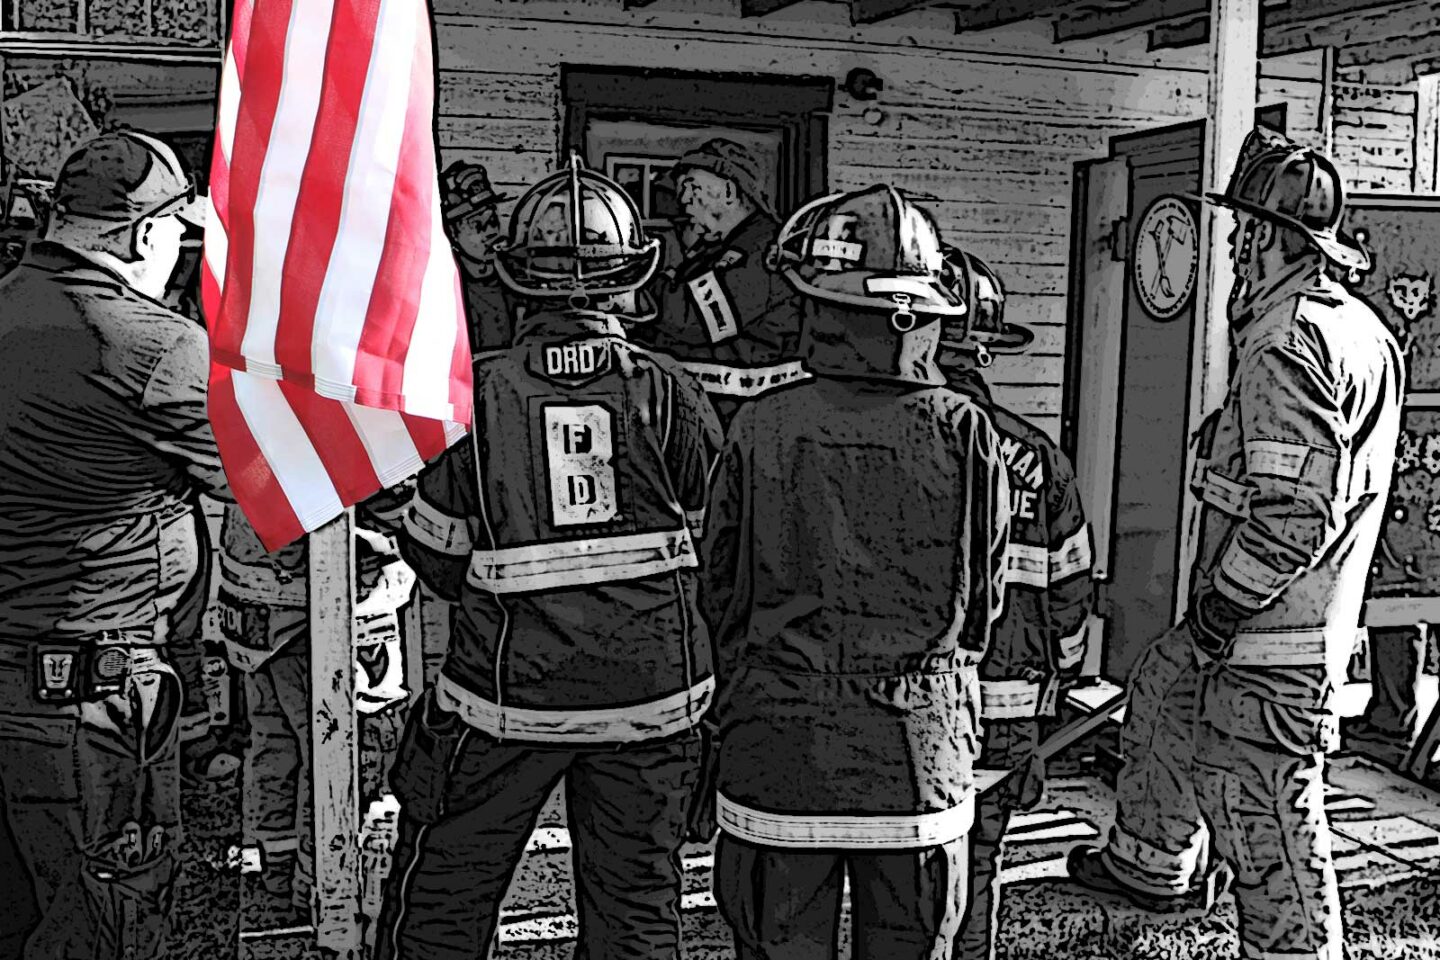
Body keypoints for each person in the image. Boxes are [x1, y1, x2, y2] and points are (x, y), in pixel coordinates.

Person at [1066, 127, 1403, 960]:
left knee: (1264, 816)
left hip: (1269, 641)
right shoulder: (1357, 328)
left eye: (1241, 230)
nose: (1233, 247)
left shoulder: (1285, 343)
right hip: (1272, 626)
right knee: (1161, 690)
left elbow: (1295, 514)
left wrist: (1217, 614)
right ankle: (1150, 862)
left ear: (1264, 233)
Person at [373, 156, 722, 960]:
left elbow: (437, 557)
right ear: (628, 280)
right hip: (653, 703)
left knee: (444, 900)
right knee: (635, 907)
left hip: (504, 700)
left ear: (519, 281)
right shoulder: (669, 390)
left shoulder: (477, 394)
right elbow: (719, 552)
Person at [701, 184, 1010, 960]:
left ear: (814, 303)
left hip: (778, 750)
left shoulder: (762, 423)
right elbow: (984, 602)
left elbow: (722, 594)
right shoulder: (966, 430)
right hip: (916, 756)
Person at [0, 129, 228, 958]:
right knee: (106, 925)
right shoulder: (157, 346)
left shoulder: (8, 307)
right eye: (179, 234)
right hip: (89, 694)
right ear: (143, 235)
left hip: (16, 675)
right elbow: (268, 480)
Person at [934, 246, 1096, 960]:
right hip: (1007, 712)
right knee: (980, 860)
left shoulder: (887, 438)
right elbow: (1070, 597)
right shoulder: (1039, 458)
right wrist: (1052, 692)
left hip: (909, 709)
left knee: (901, 871)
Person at [216, 487, 413, 927]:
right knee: (333, 755)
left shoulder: (253, 416)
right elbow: (390, 492)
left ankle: (275, 870)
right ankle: (321, 887)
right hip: (325, 599)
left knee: (274, 743)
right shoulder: (361, 417)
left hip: (257, 595)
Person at [650, 139, 807, 426]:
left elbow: (695, 318)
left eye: (692, 187)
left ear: (729, 191)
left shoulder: (763, 250)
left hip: (743, 420)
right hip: (714, 413)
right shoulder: (717, 250)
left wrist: (638, 292)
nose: (683, 199)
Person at [442, 160, 513, 352]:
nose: (491, 231)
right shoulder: (446, 290)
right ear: (452, 233)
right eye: (477, 225)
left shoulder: (514, 276)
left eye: (493, 220)